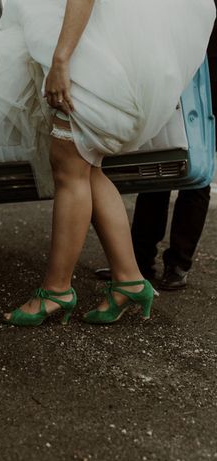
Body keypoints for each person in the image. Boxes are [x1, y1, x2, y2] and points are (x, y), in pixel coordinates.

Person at [0, 0, 215, 326]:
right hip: (98, 55)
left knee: (69, 169)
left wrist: (61, 60)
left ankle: (56, 290)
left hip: (85, 59)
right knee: (87, 167)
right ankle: (129, 279)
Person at [95, 3, 217, 291]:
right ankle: (138, 260)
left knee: (197, 170)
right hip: (179, 62)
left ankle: (178, 263)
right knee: (158, 164)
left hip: (210, 70)